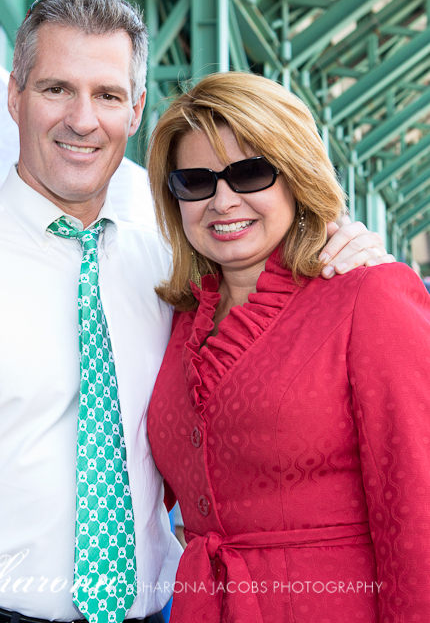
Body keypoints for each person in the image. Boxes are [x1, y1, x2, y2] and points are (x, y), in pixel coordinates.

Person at [0, 0, 390, 623]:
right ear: (14, 96)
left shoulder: (171, 271)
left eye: (108, 95)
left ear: (136, 107)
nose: (83, 119)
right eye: (56, 89)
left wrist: (348, 247)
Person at [146, 71, 430, 622]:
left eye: (249, 173)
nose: (222, 201)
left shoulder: (369, 294)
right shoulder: (176, 320)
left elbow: (419, 510)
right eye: (196, 182)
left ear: (295, 177)